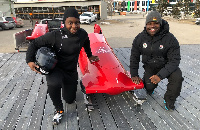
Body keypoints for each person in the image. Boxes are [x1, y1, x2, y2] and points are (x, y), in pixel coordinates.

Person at [26, 8, 99, 125]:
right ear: (64, 23)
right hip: (56, 69)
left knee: (70, 100)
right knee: (54, 83)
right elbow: (34, 43)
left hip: (71, 71)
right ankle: (59, 109)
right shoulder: (55, 35)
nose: (74, 26)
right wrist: (29, 60)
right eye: (70, 23)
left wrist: (89, 56)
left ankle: (66, 87)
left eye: (77, 22)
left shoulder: (82, 34)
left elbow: (86, 42)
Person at [130, 11, 184, 111]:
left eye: (156, 23)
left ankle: (169, 100)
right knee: (149, 88)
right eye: (149, 23)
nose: (152, 26)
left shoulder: (170, 39)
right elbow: (134, 57)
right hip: (150, 66)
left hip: (167, 66)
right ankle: (150, 87)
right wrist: (134, 74)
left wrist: (160, 76)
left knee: (177, 77)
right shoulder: (140, 38)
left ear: (160, 24)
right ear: (146, 25)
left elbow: (174, 60)